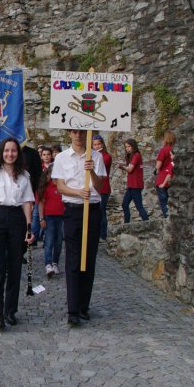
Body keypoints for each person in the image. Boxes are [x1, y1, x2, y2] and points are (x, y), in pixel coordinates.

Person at [51, 129, 106, 327]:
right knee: (73, 259)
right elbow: (60, 187)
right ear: (69, 133)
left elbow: (100, 187)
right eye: (74, 132)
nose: (78, 135)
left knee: (89, 258)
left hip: (92, 210)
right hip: (73, 210)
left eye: (82, 132)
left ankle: (84, 306)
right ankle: (73, 309)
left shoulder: (96, 156)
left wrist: (90, 170)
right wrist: (78, 193)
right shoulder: (62, 158)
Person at [0, 138, 35, 330]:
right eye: (6, 151)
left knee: (14, 267)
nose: (10, 154)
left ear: (18, 154)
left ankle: (11, 310)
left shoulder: (24, 176)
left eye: (13, 151)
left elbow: (28, 203)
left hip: (16, 219)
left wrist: (29, 227)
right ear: (1, 153)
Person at [38, 164, 64, 278]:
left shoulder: (63, 187)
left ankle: (55, 263)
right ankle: (48, 264)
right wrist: (41, 218)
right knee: (49, 241)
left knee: (58, 242)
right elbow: (41, 203)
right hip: (49, 217)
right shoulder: (46, 187)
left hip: (61, 217)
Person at [118, 138, 149, 223]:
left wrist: (122, 167)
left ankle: (147, 222)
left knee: (139, 206)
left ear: (133, 146)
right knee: (124, 204)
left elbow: (130, 169)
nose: (127, 148)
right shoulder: (132, 156)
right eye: (126, 147)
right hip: (131, 185)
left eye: (129, 146)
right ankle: (126, 224)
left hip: (136, 184)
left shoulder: (136, 155)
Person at [91, 134, 112, 241]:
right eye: (94, 144)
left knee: (101, 211)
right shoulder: (94, 155)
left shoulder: (106, 156)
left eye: (98, 144)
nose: (96, 146)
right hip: (95, 187)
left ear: (102, 144)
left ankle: (103, 234)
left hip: (103, 187)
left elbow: (97, 167)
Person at [154, 130, 176, 218]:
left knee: (164, 203)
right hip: (171, 177)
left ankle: (168, 221)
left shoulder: (163, 150)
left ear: (165, 139)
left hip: (162, 178)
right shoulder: (174, 150)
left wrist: (156, 168)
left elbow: (158, 166)